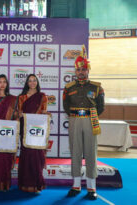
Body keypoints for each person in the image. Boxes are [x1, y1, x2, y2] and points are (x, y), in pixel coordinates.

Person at [63, 46, 104, 200]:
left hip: (91, 120)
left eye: (84, 69)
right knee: (75, 152)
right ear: (75, 71)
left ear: (88, 71)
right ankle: (76, 185)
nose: (81, 72)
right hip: (74, 120)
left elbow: (101, 106)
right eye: (79, 70)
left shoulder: (97, 87)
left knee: (91, 153)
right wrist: (75, 116)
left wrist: (89, 115)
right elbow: (66, 106)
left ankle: (92, 187)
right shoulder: (68, 88)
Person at [17, 74, 48, 193]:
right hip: (25, 130)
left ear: (37, 82)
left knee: (37, 156)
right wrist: (24, 116)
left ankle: (36, 184)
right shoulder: (22, 97)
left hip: (37, 131)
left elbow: (44, 112)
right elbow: (20, 114)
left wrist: (46, 115)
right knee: (26, 156)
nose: (32, 82)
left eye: (34, 80)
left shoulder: (42, 97)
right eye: (30, 81)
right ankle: (26, 184)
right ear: (27, 83)